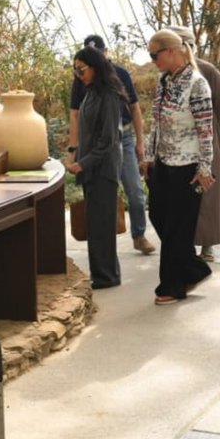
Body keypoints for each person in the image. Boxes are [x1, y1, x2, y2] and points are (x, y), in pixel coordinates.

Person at [140, 29, 214, 305]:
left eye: (154, 54)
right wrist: (148, 157)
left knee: (175, 228)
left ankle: (171, 286)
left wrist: (205, 168)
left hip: (188, 166)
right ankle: (194, 269)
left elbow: (205, 130)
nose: (152, 60)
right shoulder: (164, 81)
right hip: (162, 163)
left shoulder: (197, 84)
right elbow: (155, 123)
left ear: (171, 51)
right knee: (158, 216)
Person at [68, 35, 153, 255]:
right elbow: (75, 115)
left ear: (105, 54)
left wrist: (140, 142)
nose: (81, 73)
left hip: (122, 138)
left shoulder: (119, 76)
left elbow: (134, 109)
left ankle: (139, 234)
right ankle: (103, 245)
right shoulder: (81, 78)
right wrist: (73, 149)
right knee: (100, 197)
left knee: (134, 191)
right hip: (93, 145)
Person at [65, 46, 127, 289]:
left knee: (102, 226)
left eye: (82, 70)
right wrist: (76, 156)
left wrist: (84, 162)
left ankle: (107, 276)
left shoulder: (109, 95)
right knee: (96, 225)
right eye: (76, 71)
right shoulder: (91, 91)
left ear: (95, 67)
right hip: (92, 168)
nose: (79, 75)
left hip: (103, 170)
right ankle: (102, 274)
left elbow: (109, 140)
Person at [168, 24, 220, 262]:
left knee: (207, 195)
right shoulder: (169, 73)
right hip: (179, 146)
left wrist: (212, 135)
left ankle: (208, 245)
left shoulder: (208, 71)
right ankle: (187, 245)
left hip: (206, 142)